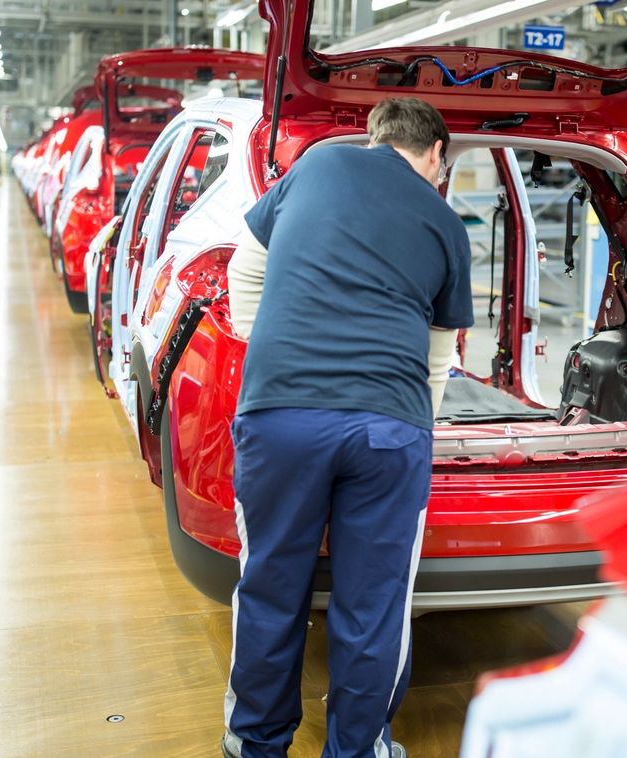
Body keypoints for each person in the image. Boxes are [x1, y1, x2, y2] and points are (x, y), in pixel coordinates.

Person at [220, 97, 472, 758]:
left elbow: (243, 268)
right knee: (373, 607)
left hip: (281, 417)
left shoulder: (317, 165)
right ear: (435, 156)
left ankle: (255, 746)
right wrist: (417, 421)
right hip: (387, 427)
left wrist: (269, 345)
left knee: (271, 588)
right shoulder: (444, 222)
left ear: (374, 138)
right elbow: (438, 356)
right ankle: (358, 750)